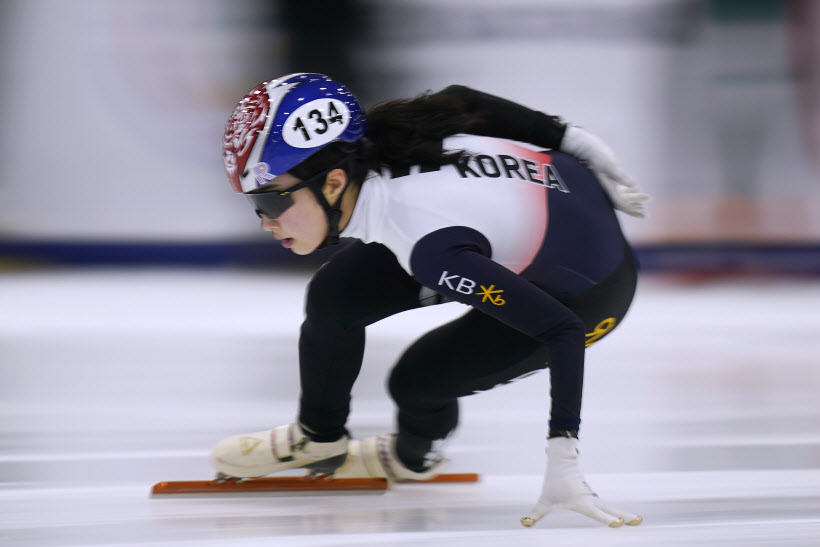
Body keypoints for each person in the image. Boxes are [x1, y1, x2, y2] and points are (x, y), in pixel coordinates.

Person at [215, 73, 648, 528]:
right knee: (334, 295)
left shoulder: (427, 245)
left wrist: (563, 456)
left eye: (270, 203)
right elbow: (462, 100)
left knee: (419, 381)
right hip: (549, 209)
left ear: (333, 182)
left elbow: (562, 330)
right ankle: (318, 437)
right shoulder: (389, 146)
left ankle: (412, 457)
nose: (265, 223)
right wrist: (577, 141)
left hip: (590, 292)